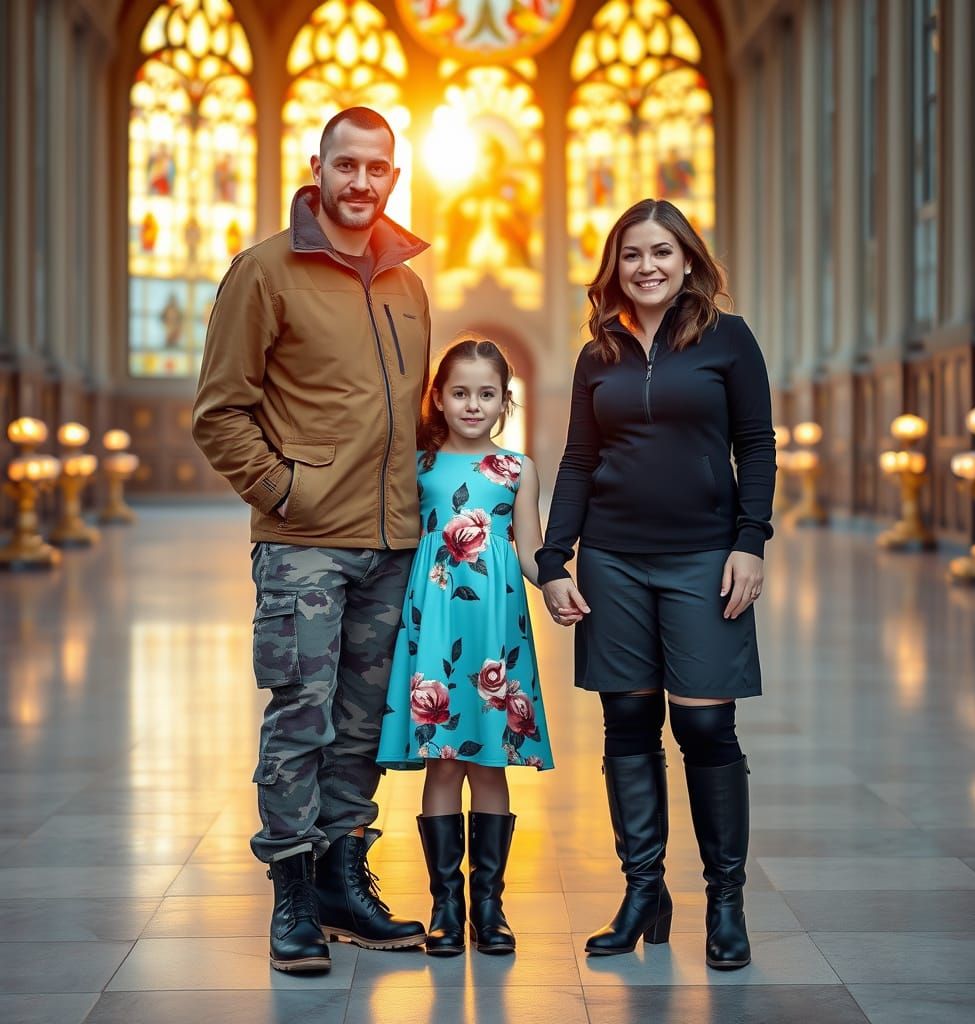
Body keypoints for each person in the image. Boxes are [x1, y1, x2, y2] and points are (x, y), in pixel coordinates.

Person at [192, 107, 432, 972]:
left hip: (391, 543)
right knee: (302, 713)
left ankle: (342, 880)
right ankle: (291, 896)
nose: (361, 182)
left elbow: (411, 417)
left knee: (362, 723)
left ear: (392, 177)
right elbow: (219, 412)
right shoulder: (264, 271)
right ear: (318, 169)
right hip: (305, 544)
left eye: (377, 168)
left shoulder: (408, 284)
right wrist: (283, 492)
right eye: (346, 166)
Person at [536, 198, 775, 969]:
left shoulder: (727, 340)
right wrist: (553, 558)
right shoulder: (595, 354)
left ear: (687, 261)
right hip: (612, 560)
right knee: (628, 728)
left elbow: (756, 446)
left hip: (704, 558)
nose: (647, 266)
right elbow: (577, 461)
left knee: (707, 728)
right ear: (615, 267)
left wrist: (750, 543)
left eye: (662, 252)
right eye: (633, 254)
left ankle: (726, 902)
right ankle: (644, 891)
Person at [377, 335, 553, 957]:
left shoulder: (516, 469)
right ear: (439, 398)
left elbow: (531, 550)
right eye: (460, 393)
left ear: (505, 401)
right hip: (435, 628)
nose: (473, 405)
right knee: (444, 761)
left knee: (490, 762)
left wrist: (560, 582)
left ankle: (490, 908)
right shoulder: (418, 467)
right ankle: (446, 907)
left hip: (495, 634)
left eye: (487, 394)